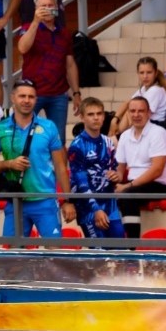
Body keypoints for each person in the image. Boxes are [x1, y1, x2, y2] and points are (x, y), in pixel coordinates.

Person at [0, 78, 76, 238]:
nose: (26, 100)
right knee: (13, 255)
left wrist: (67, 201)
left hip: (46, 200)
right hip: (15, 201)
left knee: (55, 253)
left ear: (36, 99)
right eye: (22, 96)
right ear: (13, 98)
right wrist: (9, 164)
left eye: (31, 97)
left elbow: (61, 166)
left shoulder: (48, 126)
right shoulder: (0, 128)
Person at [111, 95, 166, 238]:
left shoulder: (158, 133)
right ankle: (107, 246)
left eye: (140, 111)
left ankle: (132, 247)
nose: (136, 115)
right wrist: (114, 179)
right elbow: (120, 170)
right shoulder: (125, 136)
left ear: (149, 113)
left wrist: (128, 186)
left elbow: (156, 171)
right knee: (101, 193)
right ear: (128, 113)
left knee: (127, 196)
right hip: (135, 185)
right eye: (132, 111)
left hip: (161, 185)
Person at [16, 0, 80, 135]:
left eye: (51, 6)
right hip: (32, 93)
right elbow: (22, 48)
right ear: (36, 9)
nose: (47, 9)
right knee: (25, 135)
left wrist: (76, 93)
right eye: (43, 6)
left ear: (57, 8)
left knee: (58, 138)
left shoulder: (64, 33)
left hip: (58, 94)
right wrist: (35, 22)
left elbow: (70, 64)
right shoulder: (28, 27)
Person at [67, 98, 122, 239]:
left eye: (99, 113)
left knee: (120, 250)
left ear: (104, 116)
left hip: (110, 205)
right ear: (82, 117)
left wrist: (116, 176)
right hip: (88, 208)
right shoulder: (77, 146)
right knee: (99, 254)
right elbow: (81, 183)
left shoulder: (108, 142)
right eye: (91, 114)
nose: (96, 118)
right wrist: (96, 209)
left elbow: (115, 171)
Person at [113, 58, 166, 137]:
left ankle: (116, 136)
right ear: (138, 74)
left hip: (156, 126)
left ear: (155, 73)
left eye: (149, 72)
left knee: (131, 112)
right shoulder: (144, 89)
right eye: (142, 73)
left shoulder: (156, 90)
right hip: (146, 125)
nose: (145, 76)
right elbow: (127, 102)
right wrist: (115, 119)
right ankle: (115, 137)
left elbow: (142, 114)